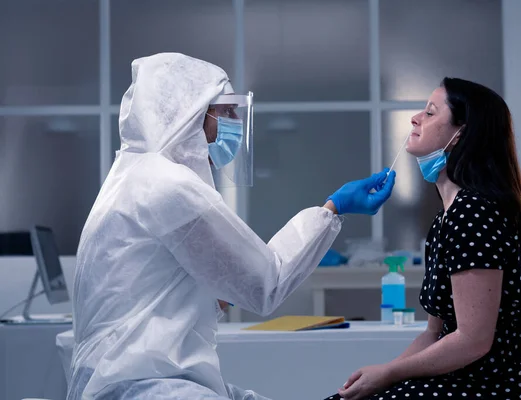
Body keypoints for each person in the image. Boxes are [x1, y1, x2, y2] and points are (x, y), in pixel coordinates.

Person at [67, 52, 396, 400]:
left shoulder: (133, 177)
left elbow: (179, 290)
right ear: (188, 114)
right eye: (226, 111)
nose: (235, 121)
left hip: (134, 378)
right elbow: (266, 283)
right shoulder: (169, 187)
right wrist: (333, 208)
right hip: (147, 387)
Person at [326, 78, 521, 400]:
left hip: (504, 383)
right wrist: (381, 375)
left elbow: (472, 340)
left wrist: (388, 374)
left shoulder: (474, 213)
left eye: (430, 113)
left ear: (460, 133)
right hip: (470, 374)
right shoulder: (446, 218)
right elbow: (434, 332)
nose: (415, 119)